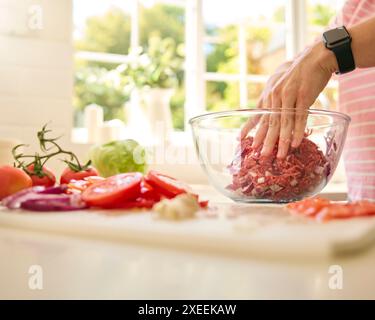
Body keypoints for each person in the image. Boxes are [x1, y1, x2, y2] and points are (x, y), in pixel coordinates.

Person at [242, 0, 375, 201]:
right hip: (363, 210)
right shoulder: (356, 7)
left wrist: (325, 55)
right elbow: (312, 55)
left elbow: (324, 53)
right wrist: (283, 72)